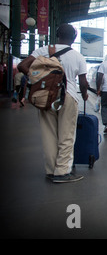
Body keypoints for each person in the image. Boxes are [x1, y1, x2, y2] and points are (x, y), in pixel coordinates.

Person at [18, 23, 89, 183]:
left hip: (45, 96)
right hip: (68, 96)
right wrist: (84, 94)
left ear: (57, 35)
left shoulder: (43, 51)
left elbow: (23, 66)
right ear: (74, 38)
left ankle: (51, 170)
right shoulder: (77, 56)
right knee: (66, 135)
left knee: (48, 134)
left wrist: (36, 78)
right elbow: (83, 83)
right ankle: (62, 172)